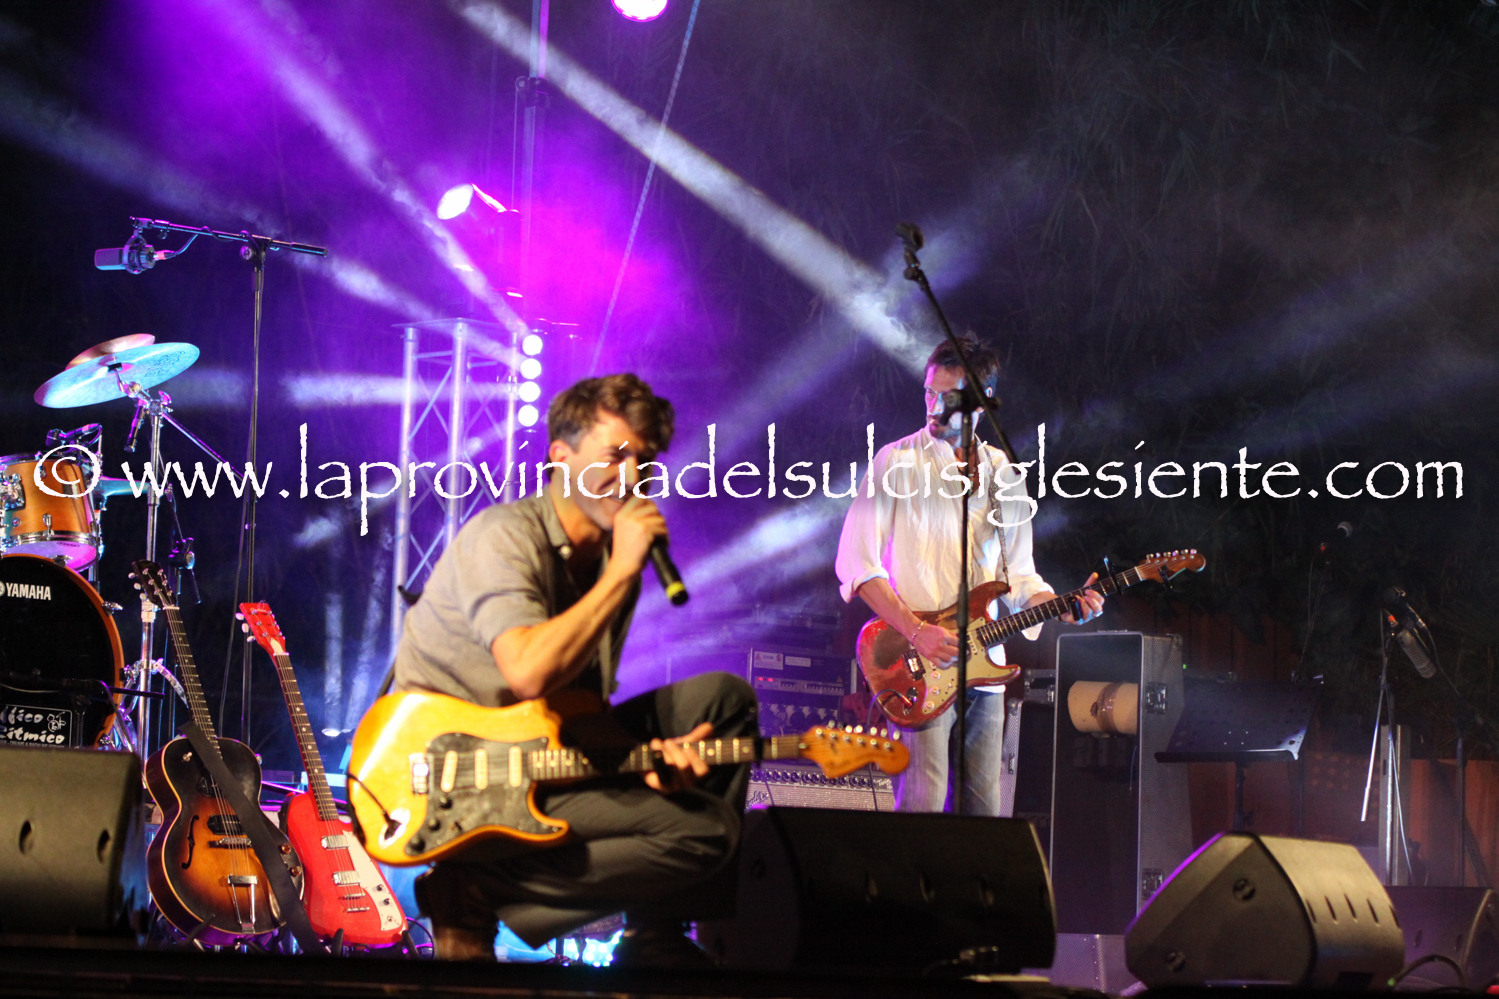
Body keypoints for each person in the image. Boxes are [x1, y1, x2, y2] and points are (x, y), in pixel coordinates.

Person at [392, 373, 757, 965]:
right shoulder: (505, 538)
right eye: (615, 455)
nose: (633, 476)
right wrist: (623, 572)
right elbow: (529, 672)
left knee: (724, 701)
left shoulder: (610, 562)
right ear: (561, 457)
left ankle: (655, 935)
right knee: (707, 832)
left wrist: (647, 762)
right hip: (454, 777)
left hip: (540, 747)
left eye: (644, 460)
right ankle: (473, 889)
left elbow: (579, 707)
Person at [834, 335, 1104, 814]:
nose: (934, 407)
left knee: (984, 817)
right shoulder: (895, 462)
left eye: (949, 398)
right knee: (923, 807)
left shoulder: (1005, 475)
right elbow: (857, 565)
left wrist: (1064, 607)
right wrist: (916, 632)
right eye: (929, 393)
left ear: (982, 402)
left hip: (986, 669)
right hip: (920, 665)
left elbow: (1020, 579)